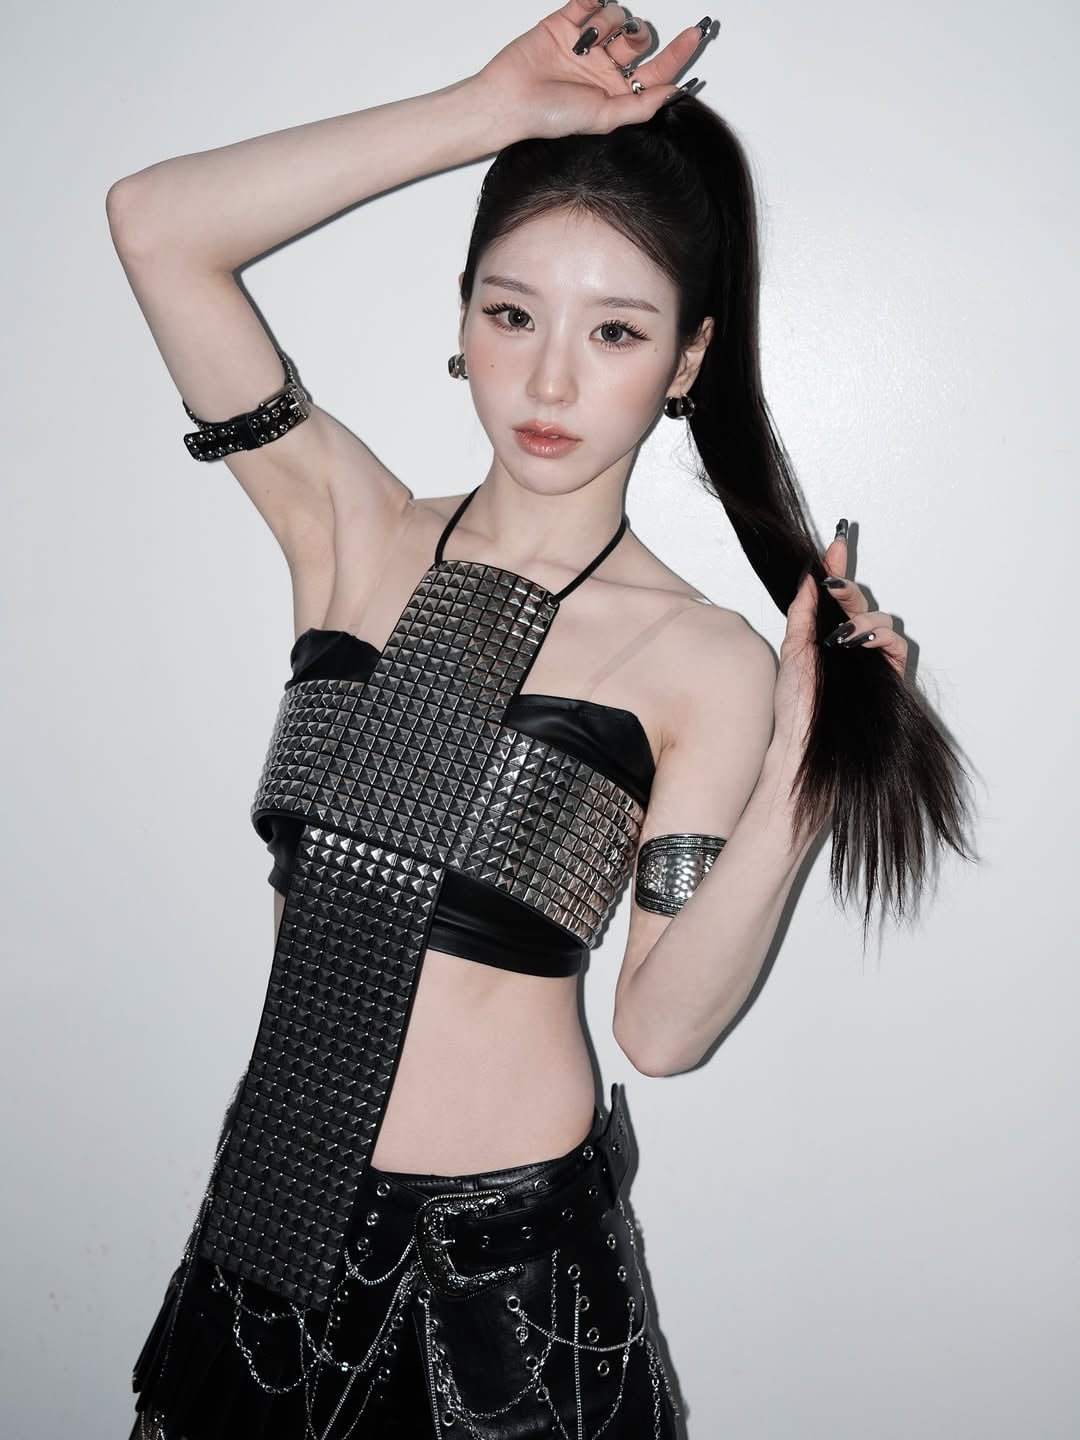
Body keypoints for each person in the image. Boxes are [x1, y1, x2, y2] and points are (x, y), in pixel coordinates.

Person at [107, 3, 971, 1436]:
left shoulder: (701, 658)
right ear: (462, 321)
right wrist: (491, 110)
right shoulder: (352, 532)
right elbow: (156, 226)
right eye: (512, 315)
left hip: (506, 1298)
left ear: (686, 360)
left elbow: (663, 1030)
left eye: (616, 330)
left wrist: (805, 776)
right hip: (262, 1233)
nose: (552, 381)